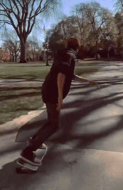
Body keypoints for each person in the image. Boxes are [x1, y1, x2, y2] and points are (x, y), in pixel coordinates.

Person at [19, 37, 99, 165]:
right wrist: (60, 98)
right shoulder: (70, 56)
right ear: (77, 46)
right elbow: (61, 75)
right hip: (53, 93)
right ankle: (28, 151)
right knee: (54, 125)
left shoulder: (63, 54)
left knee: (51, 121)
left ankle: (34, 141)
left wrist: (88, 81)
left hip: (47, 89)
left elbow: (70, 75)